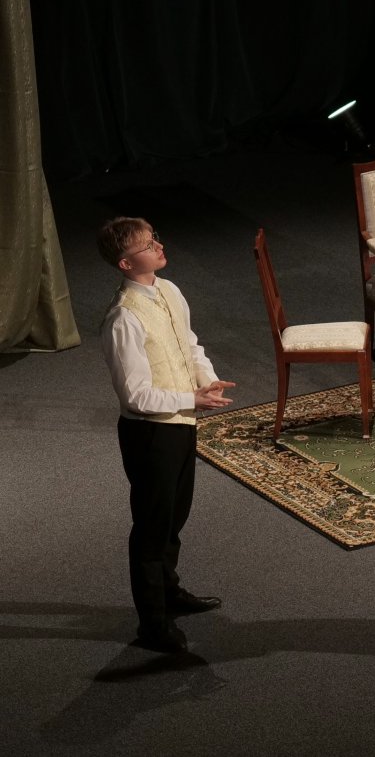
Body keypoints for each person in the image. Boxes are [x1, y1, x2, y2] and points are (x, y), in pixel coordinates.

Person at [98, 217, 234, 653]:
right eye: (146, 245)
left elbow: (189, 344)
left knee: (175, 517)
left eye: (155, 238)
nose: (158, 246)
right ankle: (152, 625)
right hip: (150, 435)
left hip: (180, 424)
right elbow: (136, 395)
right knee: (152, 529)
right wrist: (191, 398)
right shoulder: (123, 318)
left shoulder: (169, 290)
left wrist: (207, 381)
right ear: (125, 263)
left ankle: (169, 591)